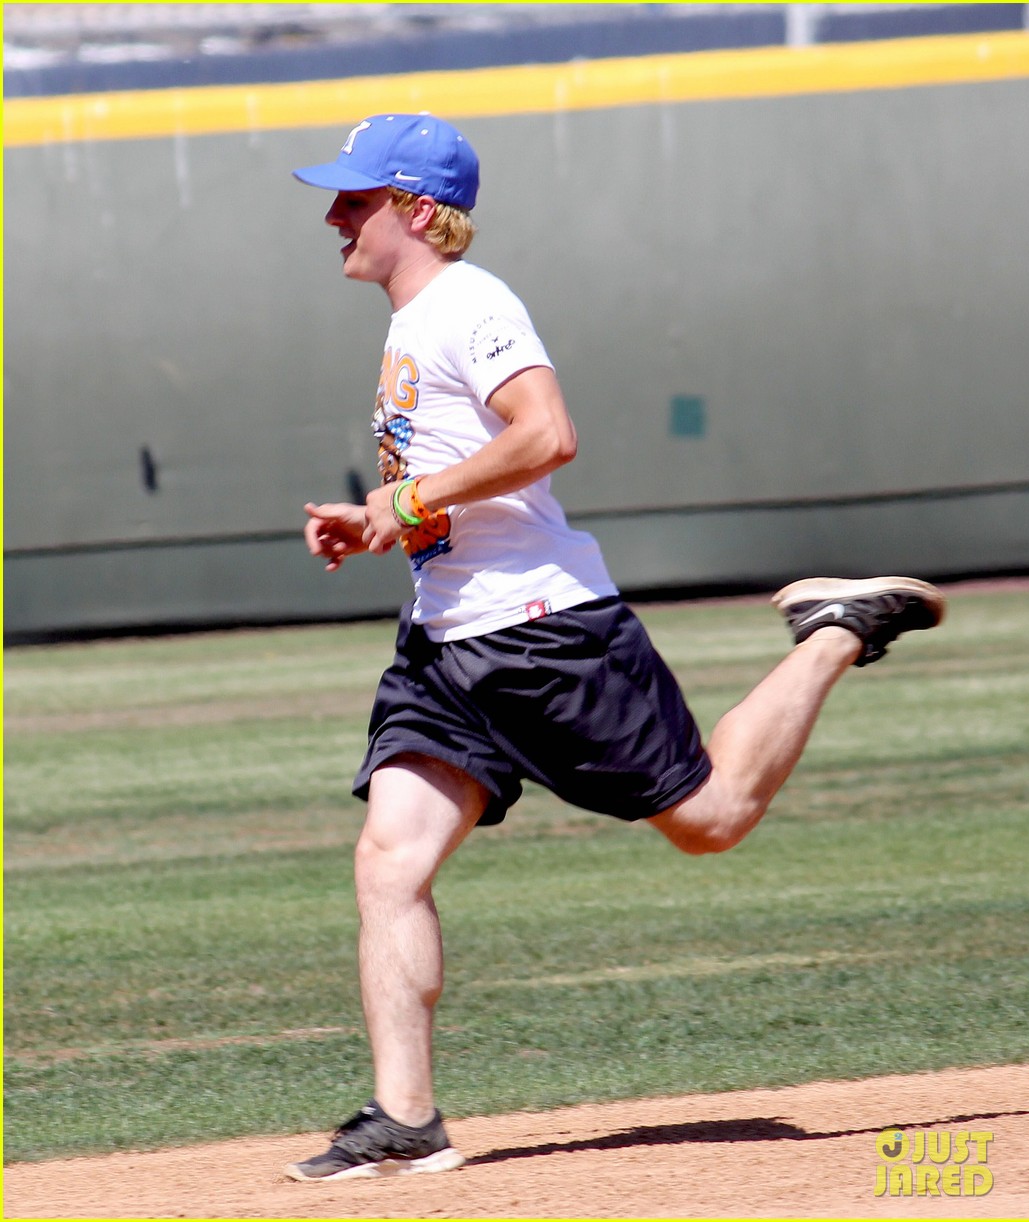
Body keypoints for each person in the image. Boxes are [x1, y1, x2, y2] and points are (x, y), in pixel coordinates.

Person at [285, 113, 945, 1182]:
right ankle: (404, 1117)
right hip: (447, 642)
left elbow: (547, 435)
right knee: (389, 859)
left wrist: (401, 498)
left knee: (712, 818)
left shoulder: (471, 302)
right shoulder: (412, 321)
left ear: (415, 209)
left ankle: (835, 630)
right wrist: (381, 521)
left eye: (356, 198)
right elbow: (464, 480)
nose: (334, 215)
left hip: (544, 635)